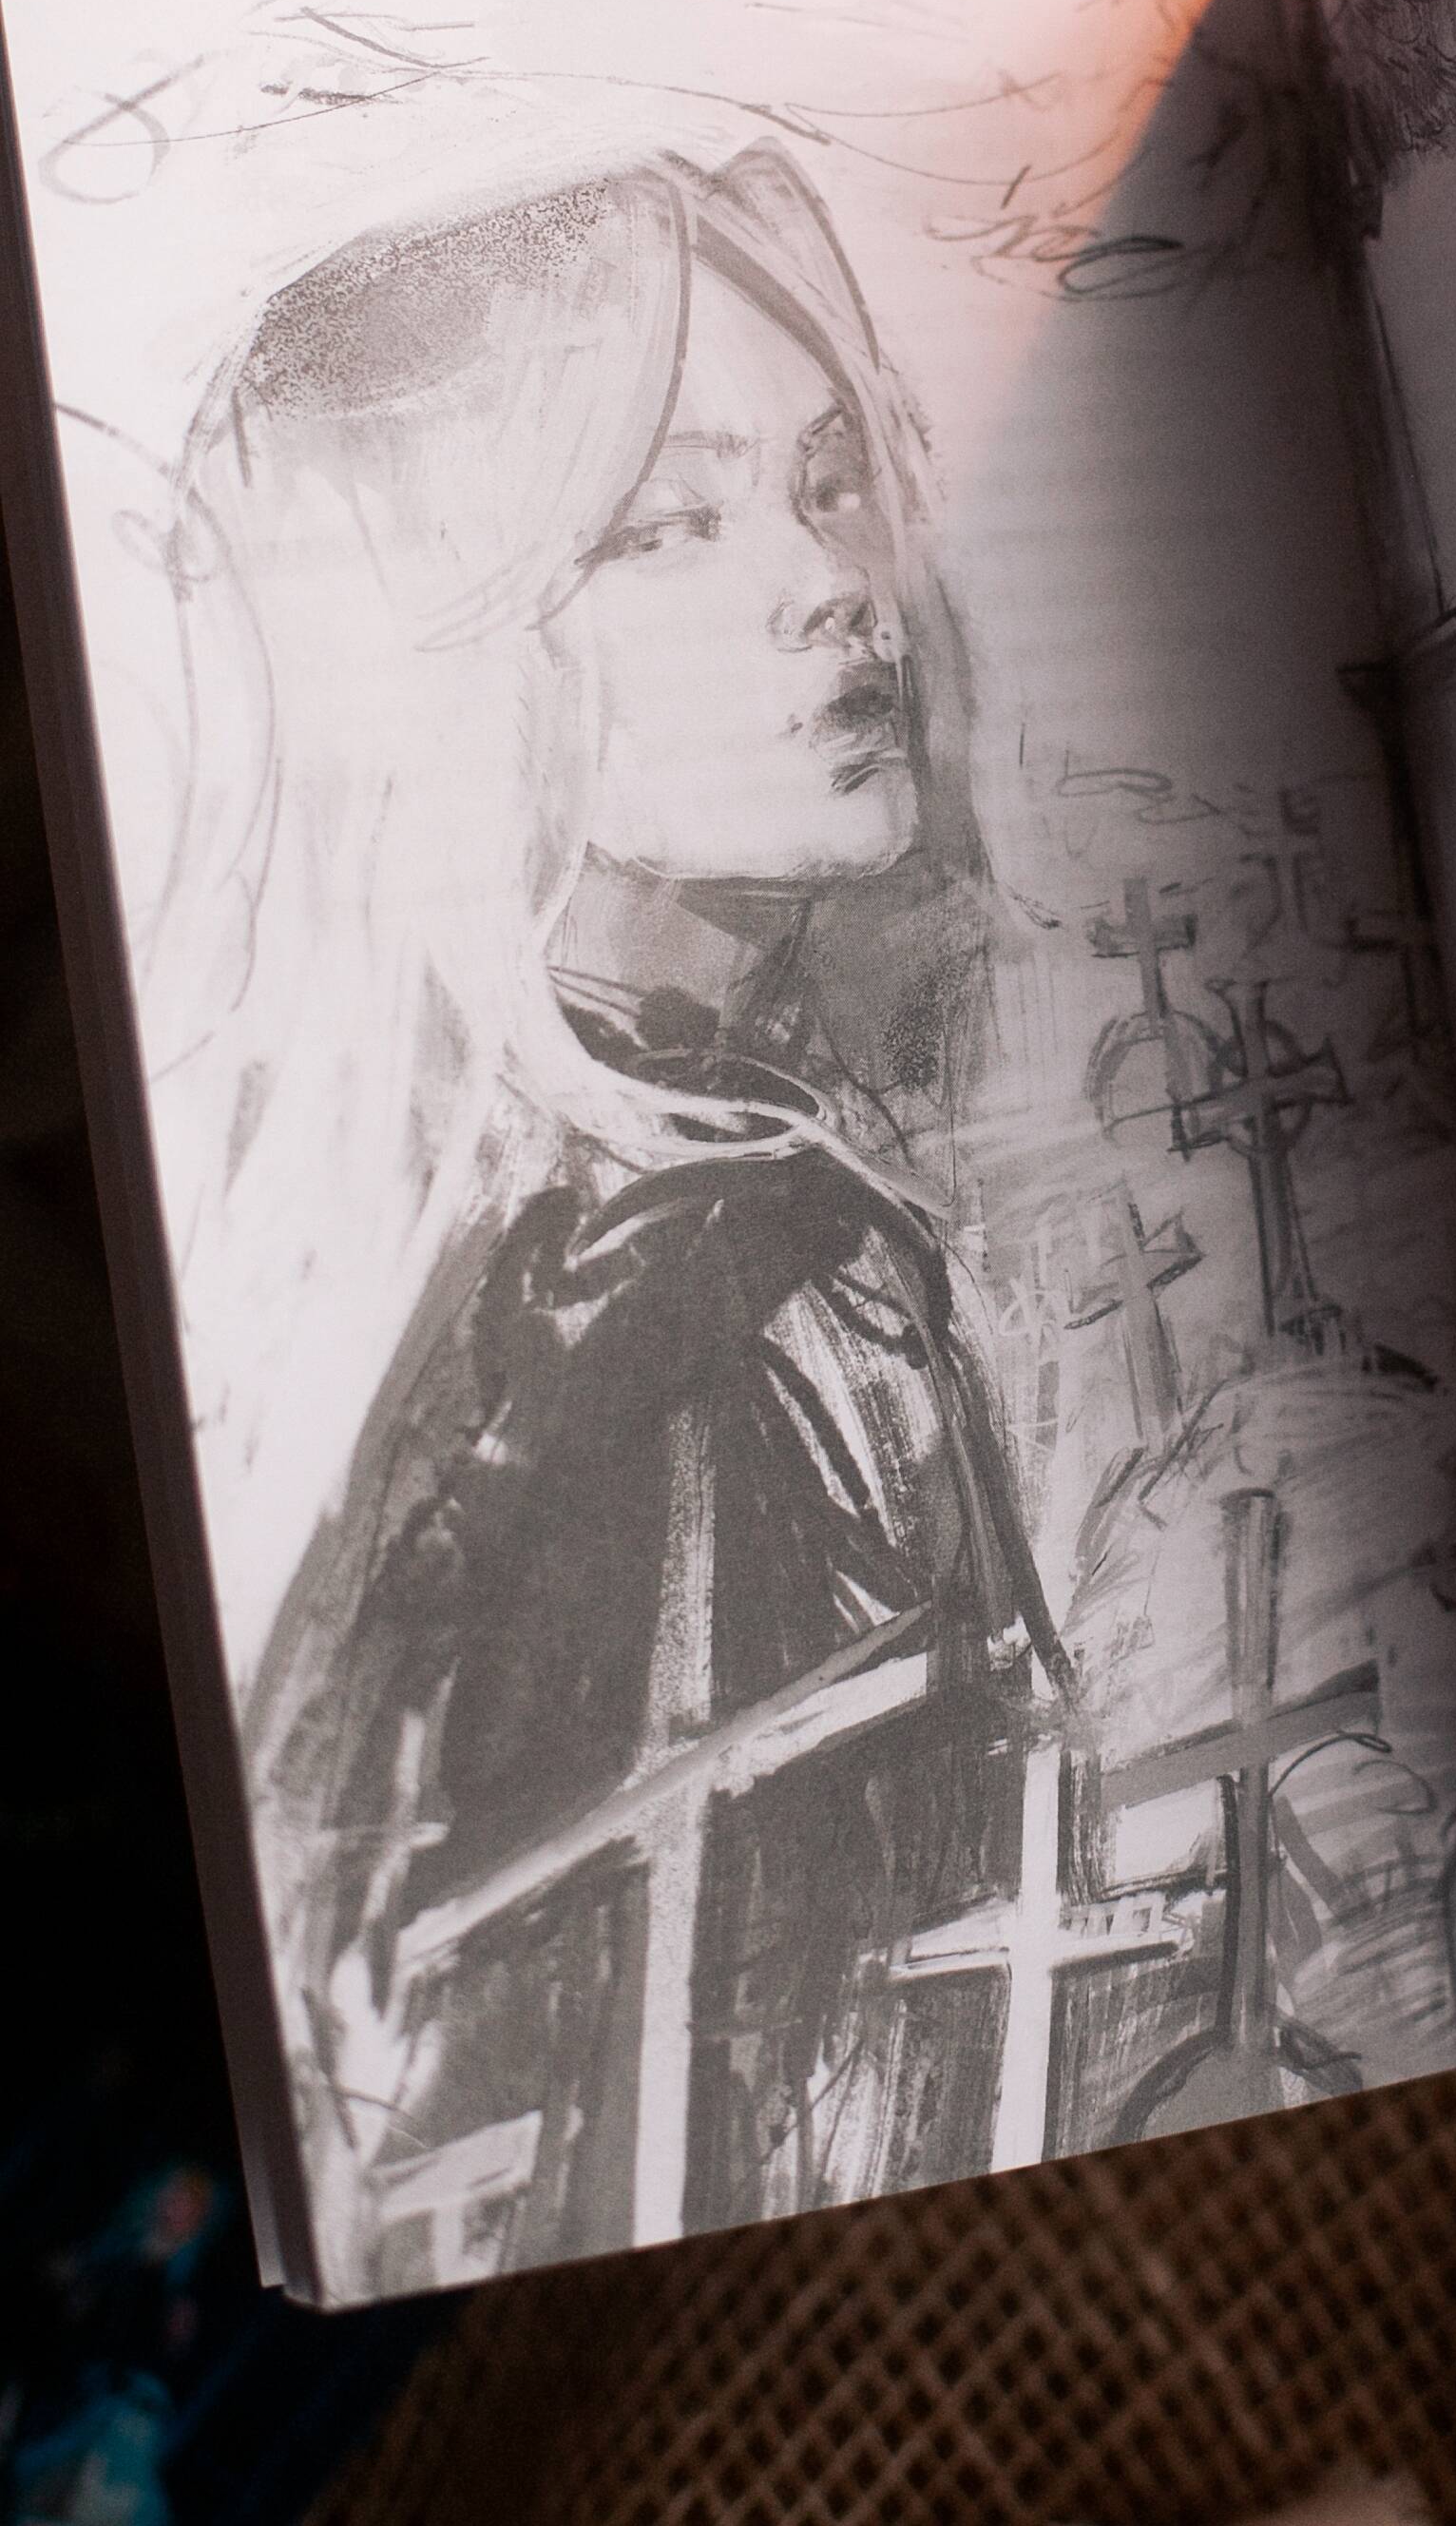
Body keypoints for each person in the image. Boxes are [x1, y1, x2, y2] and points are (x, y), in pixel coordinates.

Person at [157, 139, 1060, 2286]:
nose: (832, 581)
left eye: (829, 482)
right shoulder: (687, 1274)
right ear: (438, 633)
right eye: (665, 524)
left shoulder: (709, 1177)